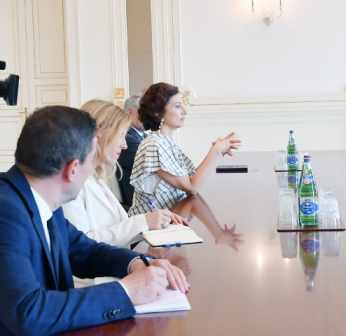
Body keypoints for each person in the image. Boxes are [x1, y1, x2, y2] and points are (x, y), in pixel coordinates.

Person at [0, 106, 189, 336]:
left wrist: (138, 262)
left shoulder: (38, 197)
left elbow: (84, 250)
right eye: (89, 161)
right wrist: (127, 291)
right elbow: (30, 313)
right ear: (73, 169)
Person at [63, 100, 187, 257]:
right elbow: (80, 246)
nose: (124, 145)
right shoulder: (71, 183)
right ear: (98, 134)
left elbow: (117, 231)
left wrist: (156, 221)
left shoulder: (95, 177)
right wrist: (144, 222)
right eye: (121, 136)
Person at [128, 82, 241, 219]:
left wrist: (213, 149)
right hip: (151, 230)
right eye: (177, 106)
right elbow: (192, 186)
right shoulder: (153, 144)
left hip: (171, 219)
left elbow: (192, 177)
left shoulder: (165, 141)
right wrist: (216, 151)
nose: (185, 111)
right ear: (158, 113)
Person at [118, 93, 145, 206]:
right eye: (143, 112)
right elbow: (155, 170)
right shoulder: (128, 140)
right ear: (130, 112)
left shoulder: (144, 137)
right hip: (139, 203)